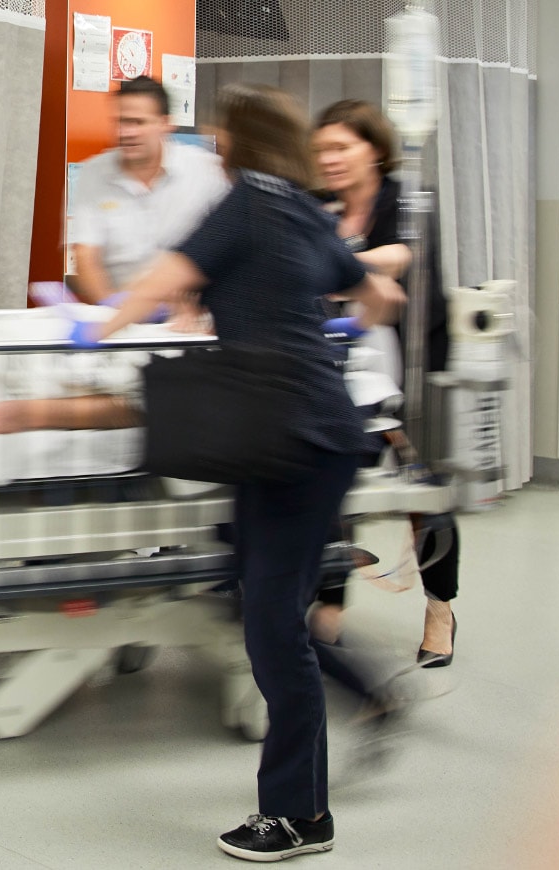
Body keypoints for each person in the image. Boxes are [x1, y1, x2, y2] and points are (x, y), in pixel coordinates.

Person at [77, 83, 403, 862]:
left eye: (220, 136)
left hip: (295, 439)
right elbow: (378, 294)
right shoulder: (293, 204)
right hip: (298, 436)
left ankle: (296, 816)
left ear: (237, 144)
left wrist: (95, 335)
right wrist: (310, 327)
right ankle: (334, 756)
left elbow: (164, 279)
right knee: (256, 605)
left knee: (271, 626)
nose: (214, 146)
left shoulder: (248, 200)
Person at [310, 100, 459, 668]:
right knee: (329, 479)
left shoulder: (406, 199)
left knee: (424, 496)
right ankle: (329, 603)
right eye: (321, 149)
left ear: (373, 148)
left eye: (341, 147)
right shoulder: (317, 204)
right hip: (338, 358)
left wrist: (334, 266)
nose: (329, 159)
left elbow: (400, 256)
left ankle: (439, 608)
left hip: (413, 360)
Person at [67, 76, 230, 307]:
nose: (126, 132)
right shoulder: (93, 173)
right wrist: (115, 312)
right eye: (121, 122)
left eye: (138, 122)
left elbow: (233, 251)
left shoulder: (207, 172)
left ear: (166, 123)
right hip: (119, 315)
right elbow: (85, 255)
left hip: (189, 321)